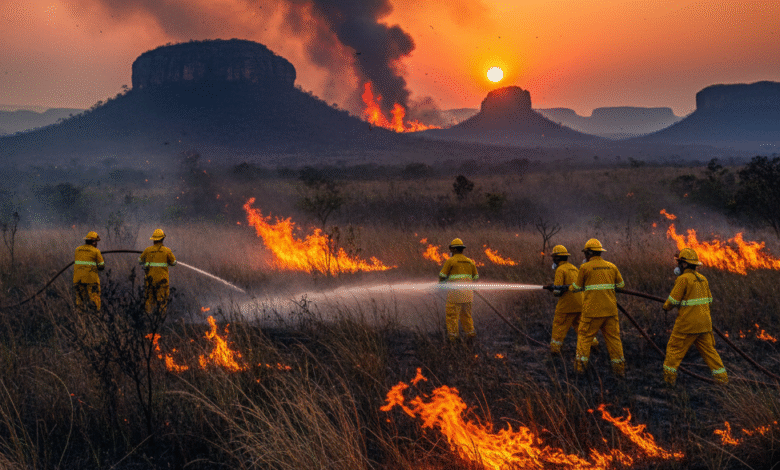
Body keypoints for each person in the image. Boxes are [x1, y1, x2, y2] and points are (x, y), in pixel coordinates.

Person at [661, 248, 728, 386]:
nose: (678, 265)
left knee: (673, 351)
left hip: (687, 325)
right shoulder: (703, 279)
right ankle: (723, 380)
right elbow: (709, 300)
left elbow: (672, 301)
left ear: (684, 264)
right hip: (704, 325)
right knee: (711, 354)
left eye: (679, 263)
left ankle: (669, 382)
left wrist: (666, 306)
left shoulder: (683, 279)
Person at [569, 238, 626, 376]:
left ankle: (580, 369)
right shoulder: (612, 266)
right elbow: (621, 286)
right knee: (614, 340)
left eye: (585, 254)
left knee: (584, 338)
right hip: (610, 312)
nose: (584, 257)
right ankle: (619, 371)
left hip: (592, 312)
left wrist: (570, 287)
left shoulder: (584, 267)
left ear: (589, 253)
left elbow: (577, 287)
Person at [547, 245, 598, 354]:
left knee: (559, 327)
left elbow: (557, 292)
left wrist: (552, 289)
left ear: (557, 258)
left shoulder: (560, 270)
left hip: (567, 306)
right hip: (580, 304)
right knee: (582, 328)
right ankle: (593, 345)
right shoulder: (574, 268)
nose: (552, 259)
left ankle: (555, 351)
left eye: (553, 257)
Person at [438, 238, 479, 344]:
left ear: (454, 250)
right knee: (466, 316)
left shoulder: (450, 261)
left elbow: (442, 276)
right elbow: (475, 278)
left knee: (452, 316)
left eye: (451, 249)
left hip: (455, 295)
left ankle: (453, 340)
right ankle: (471, 336)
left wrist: (443, 284)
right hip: (468, 295)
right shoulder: (470, 262)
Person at [138, 229, 176, 314]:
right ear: (162, 239)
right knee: (162, 301)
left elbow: (140, 261)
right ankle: (160, 319)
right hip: (162, 281)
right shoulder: (167, 251)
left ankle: (148, 320)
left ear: (154, 239)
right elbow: (173, 263)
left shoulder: (147, 250)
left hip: (150, 280)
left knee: (149, 301)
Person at [73, 231, 105, 311]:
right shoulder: (96, 251)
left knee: (80, 300)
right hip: (91, 280)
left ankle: (80, 318)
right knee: (95, 299)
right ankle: (96, 317)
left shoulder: (77, 249)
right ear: (93, 242)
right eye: (96, 242)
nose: (97, 244)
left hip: (78, 280)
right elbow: (101, 266)